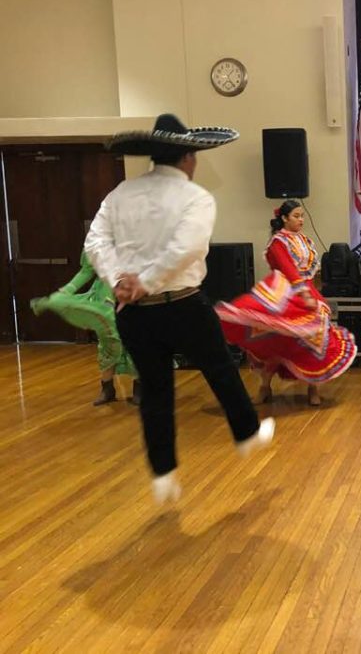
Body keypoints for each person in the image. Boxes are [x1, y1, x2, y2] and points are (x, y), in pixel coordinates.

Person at [84, 113, 274, 504]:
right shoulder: (196, 197)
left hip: (134, 314)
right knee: (220, 368)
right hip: (183, 304)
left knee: (156, 391)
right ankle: (246, 434)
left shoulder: (120, 193)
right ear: (188, 156)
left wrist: (121, 279)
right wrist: (146, 281)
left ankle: (164, 474)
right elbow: (187, 247)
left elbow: (95, 241)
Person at [215, 200, 357, 405]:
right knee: (271, 337)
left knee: (315, 337)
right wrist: (303, 293)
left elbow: (308, 271)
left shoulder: (305, 240)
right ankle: (265, 386)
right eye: (296, 216)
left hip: (307, 290)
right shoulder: (278, 242)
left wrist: (310, 292)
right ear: (284, 218)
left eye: (302, 216)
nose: (301, 220)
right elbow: (287, 268)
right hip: (283, 292)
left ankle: (313, 387)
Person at [31, 249, 140, 406]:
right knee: (107, 341)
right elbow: (87, 270)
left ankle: (140, 389)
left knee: (136, 341)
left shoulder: (136, 236)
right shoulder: (98, 239)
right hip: (105, 298)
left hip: (132, 293)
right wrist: (67, 290)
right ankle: (107, 388)